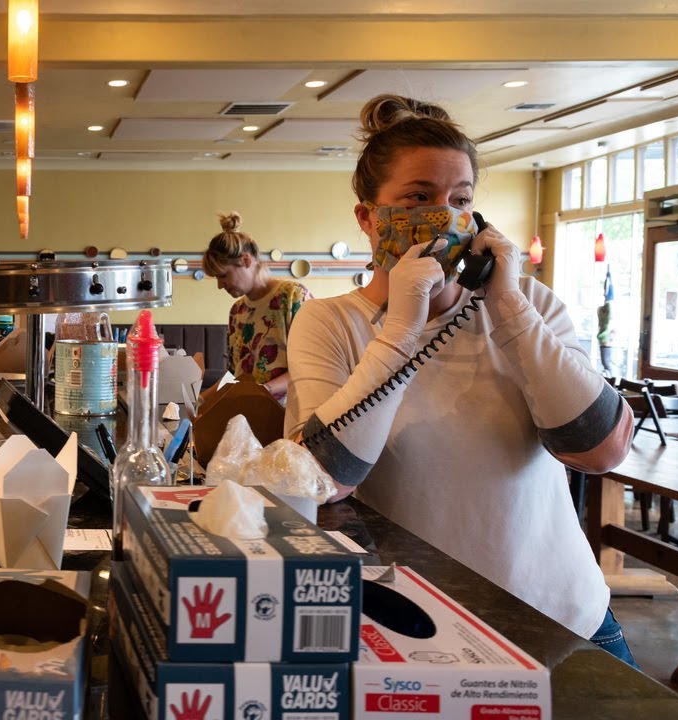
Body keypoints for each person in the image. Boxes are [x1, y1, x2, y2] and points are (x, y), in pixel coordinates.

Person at [283, 95, 636, 666]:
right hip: (424, 631)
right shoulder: (329, 323)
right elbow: (321, 480)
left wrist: (510, 307)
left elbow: (600, 450)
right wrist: (402, 330)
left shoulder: (530, 304)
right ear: (368, 217)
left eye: (461, 200)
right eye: (418, 197)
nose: (445, 216)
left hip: (564, 619)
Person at [202, 212, 310, 400]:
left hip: (289, 412)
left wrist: (265, 389)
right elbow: (233, 375)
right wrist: (201, 400)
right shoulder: (237, 311)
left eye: (223, 275)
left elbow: (311, 365)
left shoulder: (293, 297)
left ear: (246, 260)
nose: (220, 285)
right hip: (246, 411)